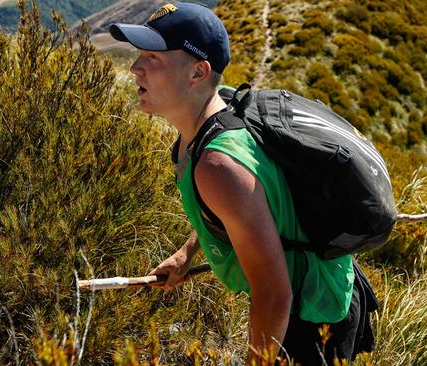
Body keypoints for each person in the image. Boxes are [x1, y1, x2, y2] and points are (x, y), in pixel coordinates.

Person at [110, 3, 373, 364]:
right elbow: (239, 209)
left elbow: (273, 295)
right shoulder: (219, 114)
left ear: (198, 73)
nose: (135, 67)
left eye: (153, 57)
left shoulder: (218, 165)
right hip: (321, 291)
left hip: (310, 316)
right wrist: (186, 254)